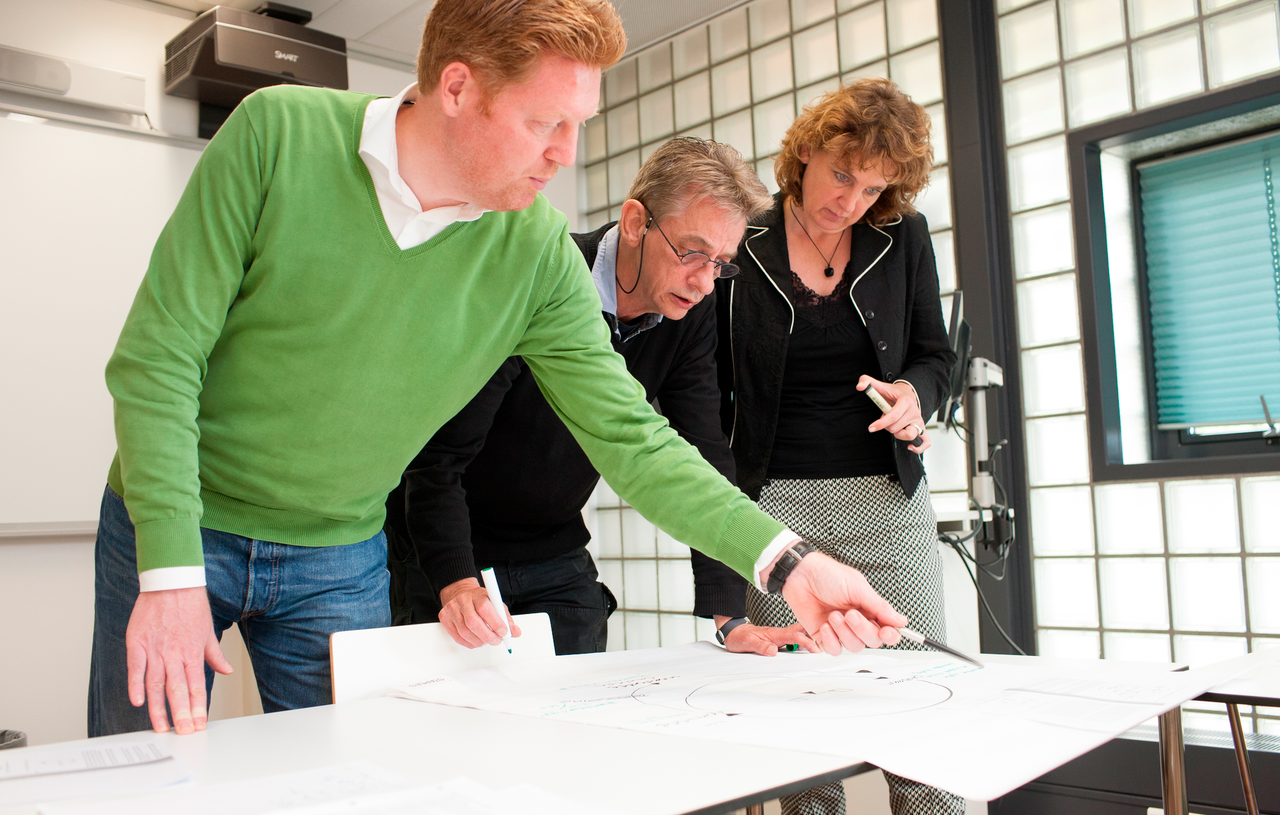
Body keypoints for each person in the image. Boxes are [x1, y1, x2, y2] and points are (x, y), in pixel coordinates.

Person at [90, 0, 908, 741]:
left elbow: (636, 440)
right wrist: (168, 568)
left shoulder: (535, 252)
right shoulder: (278, 134)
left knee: (348, 797)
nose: (564, 154)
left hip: (339, 550)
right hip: (180, 516)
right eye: (544, 122)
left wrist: (789, 564)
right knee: (146, 775)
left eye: (577, 124)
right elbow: (159, 358)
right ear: (457, 88)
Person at [386, 137, 816, 657]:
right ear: (635, 222)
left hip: (555, 549)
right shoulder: (542, 275)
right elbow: (437, 455)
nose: (705, 282)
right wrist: (455, 580)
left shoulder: (689, 308)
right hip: (447, 547)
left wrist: (730, 619)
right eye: (693, 253)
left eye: (721, 262)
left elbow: (701, 452)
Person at [714, 79, 962, 815]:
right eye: (842, 176)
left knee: (921, 697)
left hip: (886, 498)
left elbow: (935, 356)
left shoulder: (904, 237)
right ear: (807, 152)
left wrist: (917, 398)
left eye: (875, 187)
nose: (852, 201)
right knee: (802, 713)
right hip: (775, 503)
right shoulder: (745, 242)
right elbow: (710, 380)